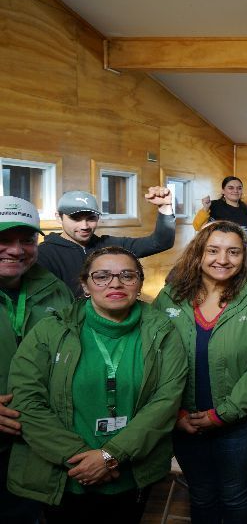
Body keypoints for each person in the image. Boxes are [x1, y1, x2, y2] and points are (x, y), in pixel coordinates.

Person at [7, 246, 187, 523]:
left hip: (130, 473)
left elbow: (165, 402)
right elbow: (27, 400)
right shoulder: (50, 329)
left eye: (127, 275)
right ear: (85, 285)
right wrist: (82, 457)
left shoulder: (162, 331)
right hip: (66, 473)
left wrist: (111, 455)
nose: (115, 283)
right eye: (102, 276)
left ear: (139, 283)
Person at [152, 220, 247, 523]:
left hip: (237, 423)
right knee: (201, 494)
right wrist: (176, 414)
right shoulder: (169, 297)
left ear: (244, 257)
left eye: (233, 252)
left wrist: (224, 413)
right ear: (198, 254)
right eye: (213, 250)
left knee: (235, 494)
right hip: (183, 422)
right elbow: (151, 360)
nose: (223, 260)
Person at [0, 196, 73, 522]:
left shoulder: (55, 290)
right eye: (3, 239)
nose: (16, 250)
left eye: (27, 240)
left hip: (36, 443)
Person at [38, 189, 175, 296]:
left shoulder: (111, 246)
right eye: (76, 219)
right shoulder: (44, 254)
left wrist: (165, 207)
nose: (85, 226)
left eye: (91, 218)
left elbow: (161, 242)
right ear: (58, 217)